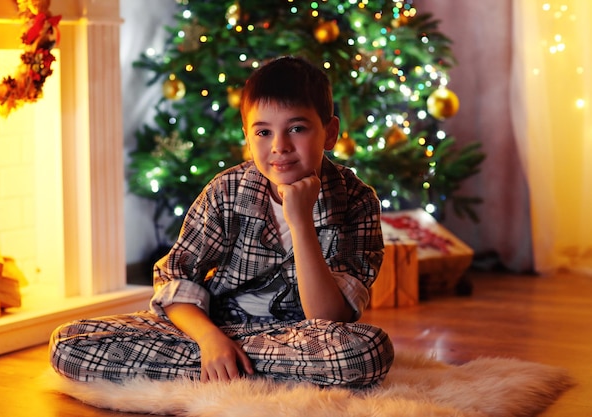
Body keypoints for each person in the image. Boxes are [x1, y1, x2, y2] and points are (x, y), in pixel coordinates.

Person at [49, 56, 394, 387]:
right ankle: (232, 363)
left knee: (367, 351)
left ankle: (224, 368)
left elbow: (329, 318)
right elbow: (176, 278)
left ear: (330, 133)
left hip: (303, 339)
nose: (280, 146)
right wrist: (210, 340)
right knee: (69, 342)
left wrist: (301, 221)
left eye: (297, 128)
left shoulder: (357, 202)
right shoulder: (226, 191)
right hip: (218, 327)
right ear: (247, 136)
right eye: (263, 133)